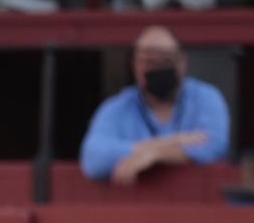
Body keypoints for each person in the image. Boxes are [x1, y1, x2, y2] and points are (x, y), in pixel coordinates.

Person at [79, 25, 229, 184]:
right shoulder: (117, 108)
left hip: (198, 204)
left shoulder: (206, 98)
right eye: (149, 61)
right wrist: (169, 142)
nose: (158, 68)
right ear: (135, 65)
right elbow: (93, 158)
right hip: (134, 206)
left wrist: (155, 155)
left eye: (166, 60)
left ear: (182, 61)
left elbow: (214, 146)